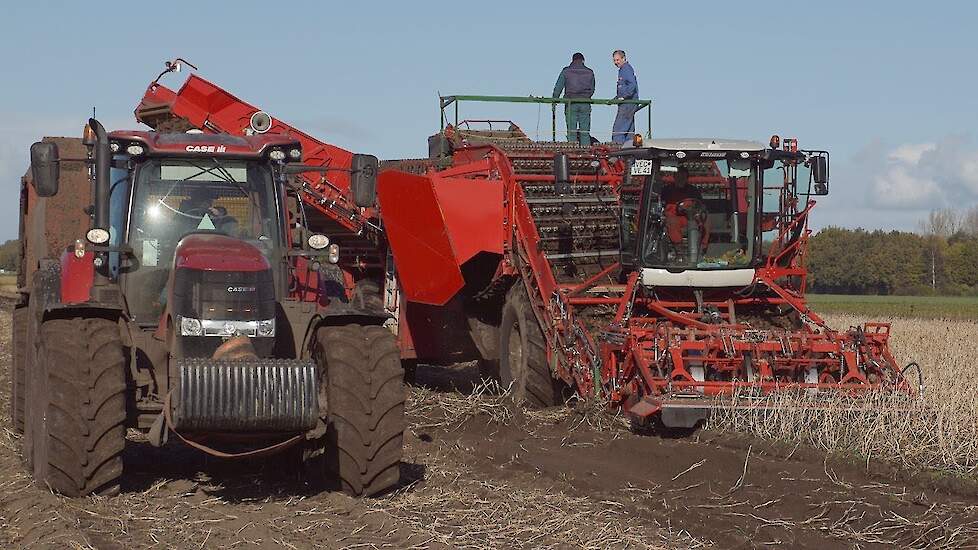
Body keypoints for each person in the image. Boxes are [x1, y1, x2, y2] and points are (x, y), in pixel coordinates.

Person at [552, 52, 595, 146]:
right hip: (585, 103)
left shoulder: (566, 71)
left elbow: (558, 87)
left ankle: (573, 149)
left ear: (572, 60)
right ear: (583, 60)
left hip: (571, 103)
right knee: (585, 131)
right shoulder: (589, 72)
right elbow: (592, 89)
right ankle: (586, 151)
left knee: (571, 130)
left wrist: (554, 99)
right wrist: (586, 96)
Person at [662, 167, 710, 251]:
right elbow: (662, 205)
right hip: (675, 216)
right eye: (678, 176)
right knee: (672, 222)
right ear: (674, 177)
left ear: (687, 178)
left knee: (706, 221)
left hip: (691, 216)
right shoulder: (667, 190)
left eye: (683, 177)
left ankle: (703, 247)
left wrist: (694, 209)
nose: (681, 179)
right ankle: (678, 247)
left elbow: (701, 205)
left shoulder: (693, 190)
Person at [611, 50, 639, 144]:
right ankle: (629, 153)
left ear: (624, 58)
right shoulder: (624, 69)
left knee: (618, 131)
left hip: (628, 103)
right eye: (614, 60)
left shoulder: (626, 69)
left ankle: (618, 152)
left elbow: (632, 85)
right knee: (629, 132)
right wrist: (616, 98)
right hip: (628, 103)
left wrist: (624, 96)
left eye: (618, 60)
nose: (616, 62)